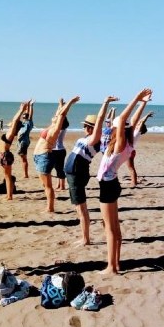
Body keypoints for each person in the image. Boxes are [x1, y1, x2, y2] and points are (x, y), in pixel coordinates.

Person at [97, 88, 152, 274]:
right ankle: (117, 263)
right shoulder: (130, 140)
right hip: (112, 184)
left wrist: (137, 98)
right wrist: (143, 103)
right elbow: (132, 121)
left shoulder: (121, 144)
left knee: (110, 229)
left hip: (107, 186)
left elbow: (123, 119)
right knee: (114, 227)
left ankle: (111, 267)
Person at [65, 95, 119, 246]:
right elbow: (106, 121)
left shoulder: (94, 139)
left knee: (80, 207)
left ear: (90, 127)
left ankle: (86, 239)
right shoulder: (87, 137)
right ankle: (86, 237)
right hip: (73, 174)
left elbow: (102, 120)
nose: (83, 128)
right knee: (79, 207)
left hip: (77, 173)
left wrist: (105, 102)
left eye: (85, 125)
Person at [33, 96, 80, 213]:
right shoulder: (52, 125)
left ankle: (50, 208)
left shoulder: (55, 129)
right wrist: (60, 104)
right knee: (45, 185)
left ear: (60, 122)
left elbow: (62, 115)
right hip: (39, 156)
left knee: (48, 185)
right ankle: (49, 206)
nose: (55, 116)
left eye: (57, 117)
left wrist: (70, 103)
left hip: (44, 156)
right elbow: (59, 114)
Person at [0, 101, 28, 201]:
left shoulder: (10, 134)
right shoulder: (10, 133)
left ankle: (9, 196)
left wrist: (21, 110)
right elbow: (14, 121)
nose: (11, 123)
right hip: (4, 154)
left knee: (7, 177)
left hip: (5, 155)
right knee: (7, 176)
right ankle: (9, 195)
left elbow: (15, 120)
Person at [127, 111, 153, 187]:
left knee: (131, 167)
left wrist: (147, 116)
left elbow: (141, 122)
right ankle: (133, 181)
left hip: (130, 152)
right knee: (130, 167)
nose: (137, 124)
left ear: (140, 128)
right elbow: (139, 121)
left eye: (139, 125)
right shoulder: (136, 131)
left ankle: (134, 183)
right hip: (131, 151)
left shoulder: (137, 132)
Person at [16, 100, 34, 178]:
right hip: (23, 142)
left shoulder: (28, 123)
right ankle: (25, 174)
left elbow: (30, 115)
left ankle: (25, 174)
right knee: (23, 158)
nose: (23, 115)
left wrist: (31, 106)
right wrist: (27, 106)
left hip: (23, 143)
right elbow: (28, 114)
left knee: (24, 159)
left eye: (24, 115)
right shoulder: (25, 123)